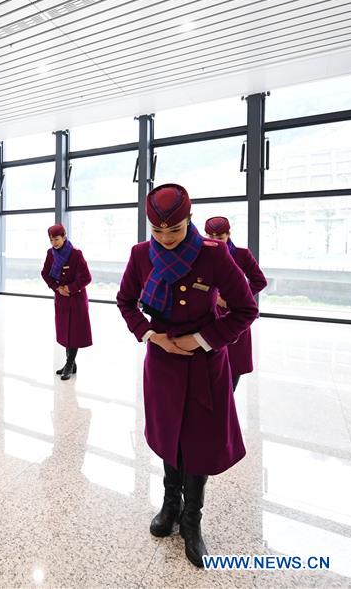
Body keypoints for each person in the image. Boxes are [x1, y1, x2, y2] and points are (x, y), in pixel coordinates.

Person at [116, 183, 258, 568]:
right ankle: (170, 503)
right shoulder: (141, 254)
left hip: (204, 363)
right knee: (168, 434)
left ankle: (192, 519)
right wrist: (150, 334)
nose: (164, 239)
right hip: (162, 362)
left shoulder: (213, 256)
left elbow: (245, 309)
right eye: (157, 231)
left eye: (174, 231)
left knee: (197, 439)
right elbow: (125, 301)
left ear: (189, 221)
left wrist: (200, 340)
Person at [204, 216, 268, 391]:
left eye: (220, 237)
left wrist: (236, 298)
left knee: (233, 364)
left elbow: (259, 281)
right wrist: (213, 296)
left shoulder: (242, 254)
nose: (216, 241)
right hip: (207, 315)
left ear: (228, 234)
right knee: (208, 364)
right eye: (211, 237)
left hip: (235, 314)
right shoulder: (201, 254)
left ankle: (227, 408)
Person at [40, 224, 92, 380]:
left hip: (76, 299)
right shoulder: (51, 254)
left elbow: (86, 277)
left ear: (64, 236)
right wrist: (57, 288)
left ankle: (69, 364)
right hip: (61, 299)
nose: (54, 243)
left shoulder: (76, 254)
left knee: (74, 332)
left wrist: (69, 288)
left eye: (56, 239)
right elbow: (45, 273)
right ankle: (71, 363)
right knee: (65, 332)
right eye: (51, 240)